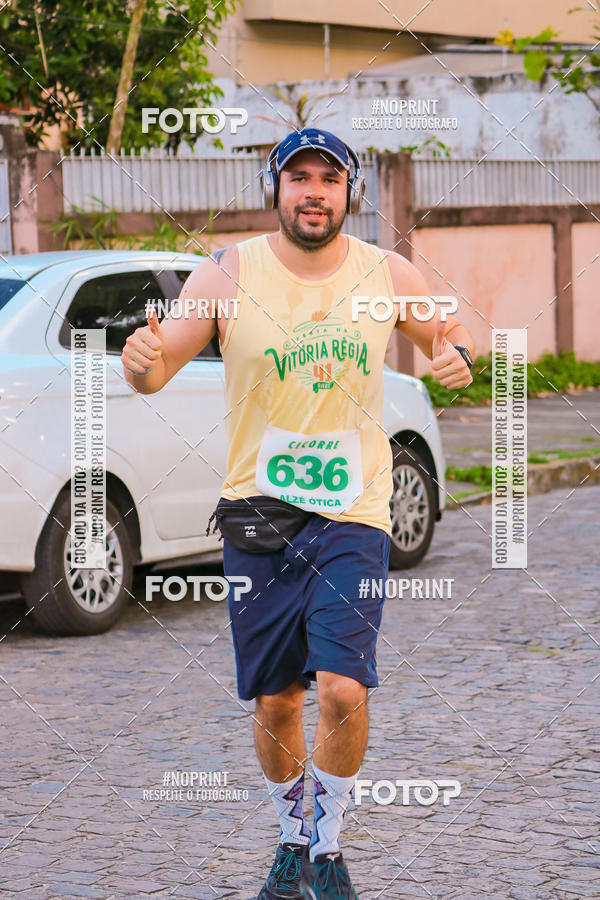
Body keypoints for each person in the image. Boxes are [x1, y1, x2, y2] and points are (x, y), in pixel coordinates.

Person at [122, 128, 474, 899]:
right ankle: (291, 839)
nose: (313, 191)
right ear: (274, 188)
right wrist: (137, 363)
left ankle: (328, 846)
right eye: (298, 178)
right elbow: (157, 366)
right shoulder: (225, 273)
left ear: (350, 193)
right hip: (259, 513)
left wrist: (460, 354)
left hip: (354, 510)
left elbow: (450, 332)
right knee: (277, 697)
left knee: (344, 689)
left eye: (328, 179)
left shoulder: (387, 270)